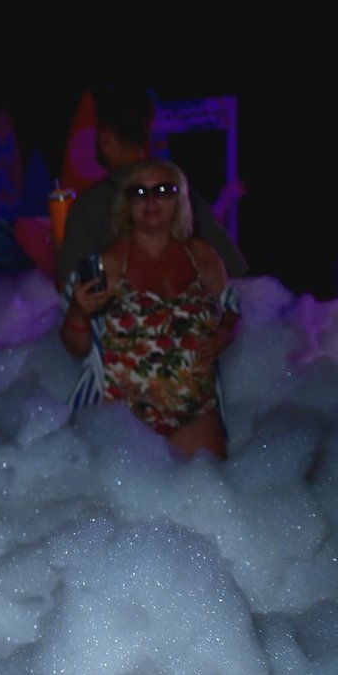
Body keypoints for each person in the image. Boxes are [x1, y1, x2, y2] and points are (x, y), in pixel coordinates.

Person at [59, 160, 239, 460]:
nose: (151, 200)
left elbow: (231, 305)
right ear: (126, 204)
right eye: (139, 192)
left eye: (163, 190)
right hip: (122, 415)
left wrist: (225, 332)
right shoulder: (107, 263)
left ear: (179, 199)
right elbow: (76, 348)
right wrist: (77, 313)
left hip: (195, 413)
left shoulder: (201, 256)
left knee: (214, 490)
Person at [55, 85, 247, 290]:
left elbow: (71, 290)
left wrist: (58, 251)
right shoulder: (180, 191)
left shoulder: (89, 206)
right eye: (138, 195)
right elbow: (236, 272)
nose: (150, 203)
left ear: (105, 140)